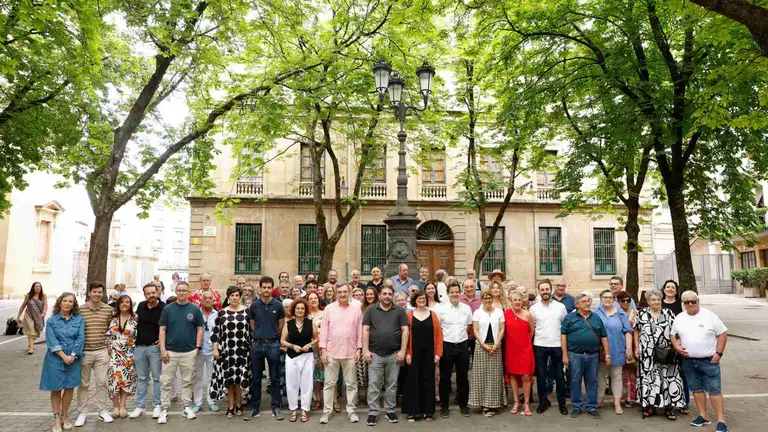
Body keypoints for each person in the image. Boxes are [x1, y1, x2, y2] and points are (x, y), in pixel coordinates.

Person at [671, 291, 729, 432]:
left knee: (714, 391)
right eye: (687, 302)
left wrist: (719, 353)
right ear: (683, 304)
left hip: (709, 361)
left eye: (693, 301)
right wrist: (677, 347)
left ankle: (721, 420)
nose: (690, 304)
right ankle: (703, 416)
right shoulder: (679, 318)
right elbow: (673, 335)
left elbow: (722, 334)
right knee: (696, 390)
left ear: (698, 301)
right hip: (689, 361)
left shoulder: (709, 315)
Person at [157, 281, 205, 424]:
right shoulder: (168, 309)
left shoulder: (195, 309)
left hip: (189, 352)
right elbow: (162, 329)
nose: (181, 293)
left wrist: (197, 348)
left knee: (187, 381)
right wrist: (163, 349)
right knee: (166, 381)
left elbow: (200, 329)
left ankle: (186, 407)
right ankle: (164, 408)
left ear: (188, 292)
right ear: (175, 291)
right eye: (179, 290)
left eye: (184, 290)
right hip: (170, 352)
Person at [634, 289, 685, 420]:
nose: (655, 302)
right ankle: (651, 406)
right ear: (648, 301)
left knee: (668, 379)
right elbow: (636, 331)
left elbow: (676, 332)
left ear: (661, 300)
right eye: (652, 300)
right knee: (650, 379)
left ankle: (669, 407)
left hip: (666, 351)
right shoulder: (641, 314)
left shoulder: (669, 314)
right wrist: (636, 347)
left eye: (657, 299)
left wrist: (677, 346)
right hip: (647, 352)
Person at [362, 284, 408, 426]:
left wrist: (402, 351)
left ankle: (390, 410)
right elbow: (365, 330)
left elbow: (405, 330)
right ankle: (373, 412)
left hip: (394, 354)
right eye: (385, 294)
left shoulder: (399, 311)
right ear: (380, 295)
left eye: (389, 294)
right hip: (375, 354)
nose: (387, 296)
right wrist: (365, 350)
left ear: (392, 296)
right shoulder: (371, 310)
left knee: (392, 384)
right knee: (374, 384)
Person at [318, 283, 363, 424]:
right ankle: (326, 412)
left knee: (351, 384)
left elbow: (359, 331)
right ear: (336, 293)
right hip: (331, 351)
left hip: (350, 352)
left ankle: (351, 410)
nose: (342, 294)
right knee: (329, 384)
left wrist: (359, 349)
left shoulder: (356, 309)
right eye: (340, 292)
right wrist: (323, 350)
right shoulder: (329, 309)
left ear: (349, 293)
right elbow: (324, 331)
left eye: (345, 292)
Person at [41, 293, 84, 432]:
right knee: (56, 388)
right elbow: (51, 339)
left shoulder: (79, 319)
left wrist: (72, 355)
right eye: (65, 301)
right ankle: (56, 419)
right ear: (60, 303)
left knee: (70, 387)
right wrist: (63, 356)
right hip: (55, 359)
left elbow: (80, 338)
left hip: (73, 358)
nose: (67, 303)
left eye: (70, 301)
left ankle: (65, 416)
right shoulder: (52, 321)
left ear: (74, 304)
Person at [561, 293, 609, 419]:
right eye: (584, 301)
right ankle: (577, 406)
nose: (587, 303)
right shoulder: (569, 318)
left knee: (592, 381)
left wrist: (607, 354)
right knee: (575, 380)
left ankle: (591, 406)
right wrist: (565, 355)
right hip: (575, 355)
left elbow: (604, 336)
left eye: (588, 301)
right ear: (577, 304)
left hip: (593, 355)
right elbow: (563, 336)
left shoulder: (596, 317)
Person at [246, 276, 286, 421]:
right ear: (260, 288)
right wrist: (259, 334)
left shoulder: (278, 305)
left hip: (273, 344)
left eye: (269, 287)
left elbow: (281, 323)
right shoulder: (254, 305)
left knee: (275, 378)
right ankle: (255, 408)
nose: (267, 290)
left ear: (272, 288)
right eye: (264, 287)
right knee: (256, 378)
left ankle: (276, 407)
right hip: (257, 345)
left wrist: (274, 335)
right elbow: (252, 323)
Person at [74, 282, 114, 427]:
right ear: (89, 293)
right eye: (94, 292)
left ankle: (102, 410)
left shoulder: (108, 310)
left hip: (102, 351)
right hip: (84, 352)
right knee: (83, 384)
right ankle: (82, 412)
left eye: (99, 292)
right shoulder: (80, 310)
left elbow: (111, 327)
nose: (97, 295)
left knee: (102, 382)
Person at [211, 286, 252, 418]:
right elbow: (215, 333)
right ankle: (230, 406)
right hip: (227, 352)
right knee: (229, 381)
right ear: (228, 297)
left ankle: (239, 404)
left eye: (236, 295)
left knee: (239, 380)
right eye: (232, 295)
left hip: (242, 351)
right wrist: (215, 349)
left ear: (240, 297)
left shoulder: (247, 312)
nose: (234, 298)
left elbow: (251, 332)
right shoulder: (221, 313)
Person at [402, 290, 443, 422]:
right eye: (419, 298)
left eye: (424, 298)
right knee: (413, 382)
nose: (421, 300)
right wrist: (407, 353)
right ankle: (413, 412)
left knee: (428, 381)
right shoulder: (409, 315)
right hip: (414, 354)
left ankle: (428, 411)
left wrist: (438, 353)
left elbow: (439, 335)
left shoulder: (433, 315)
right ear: (415, 300)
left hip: (429, 354)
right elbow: (406, 336)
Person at [530, 279, 568, 415]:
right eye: (542, 290)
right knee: (541, 375)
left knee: (559, 376)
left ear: (551, 290)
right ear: (539, 292)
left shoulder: (560, 307)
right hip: (539, 345)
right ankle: (543, 402)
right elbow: (531, 328)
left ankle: (562, 404)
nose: (545, 292)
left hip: (557, 345)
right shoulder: (533, 308)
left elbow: (565, 327)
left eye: (547, 289)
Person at [435, 280, 473, 418]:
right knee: (445, 378)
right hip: (447, 346)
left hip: (462, 345)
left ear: (460, 292)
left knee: (463, 377)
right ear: (448, 294)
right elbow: (438, 329)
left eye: (457, 292)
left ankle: (464, 405)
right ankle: (444, 406)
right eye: (452, 292)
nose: (455, 294)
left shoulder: (466, 309)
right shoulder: (441, 309)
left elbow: (469, 327)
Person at [130, 283, 165, 419]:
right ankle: (140, 406)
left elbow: (167, 326)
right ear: (144, 295)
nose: (151, 295)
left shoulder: (164, 308)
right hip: (139, 347)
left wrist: (163, 341)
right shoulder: (141, 306)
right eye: (148, 293)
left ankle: (157, 405)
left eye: (153, 292)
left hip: (154, 348)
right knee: (142, 378)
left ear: (157, 292)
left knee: (157, 378)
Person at [595, 290, 633, 415]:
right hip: (600, 351)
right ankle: (599, 400)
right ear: (600, 298)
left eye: (610, 297)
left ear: (614, 299)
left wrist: (628, 348)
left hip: (617, 348)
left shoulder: (620, 313)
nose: (607, 299)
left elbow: (628, 331)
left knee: (616, 376)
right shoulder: (596, 313)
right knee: (600, 375)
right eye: (605, 297)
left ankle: (617, 403)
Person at [469, 290, 506, 417]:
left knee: (494, 377)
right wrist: (484, 345)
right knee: (481, 376)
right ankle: (484, 404)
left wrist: (496, 344)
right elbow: (475, 330)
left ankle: (493, 403)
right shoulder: (477, 313)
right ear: (482, 299)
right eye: (485, 298)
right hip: (481, 347)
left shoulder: (499, 312)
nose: (487, 300)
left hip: (495, 346)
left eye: (489, 297)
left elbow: (502, 330)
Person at [281, 299, 318, 422]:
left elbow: (316, 339)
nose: (300, 310)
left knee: (307, 383)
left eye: (302, 308)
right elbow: (282, 341)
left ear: (305, 310)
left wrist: (310, 345)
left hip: (307, 356)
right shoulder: (288, 324)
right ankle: (293, 410)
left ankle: (304, 410)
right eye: (298, 308)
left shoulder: (310, 322)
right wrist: (292, 346)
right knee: (292, 383)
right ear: (294, 310)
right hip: (292, 357)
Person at [106, 295, 138, 419]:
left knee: (126, 379)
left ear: (130, 305)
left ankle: (123, 405)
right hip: (113, 353)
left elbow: (137, 336)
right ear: (118, 304)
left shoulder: (135, 319)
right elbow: (107, 335)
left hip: (128, 353)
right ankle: (115, 406)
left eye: (127, 302)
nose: (125, 304)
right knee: (113, 379)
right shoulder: (112, 319)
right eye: (122, 302)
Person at [504, 291, 535, 416]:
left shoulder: (528, 315)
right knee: (513, 376)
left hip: (525, 349)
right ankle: (516, 401)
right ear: (510, 301)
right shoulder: (505, 314)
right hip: (511, 349)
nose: (517, 302)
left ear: (522, 301)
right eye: (514, 300)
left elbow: (531, 332)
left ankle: (526, 403)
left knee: (526, 376)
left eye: (519, 300)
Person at [193, 291, 218, 413]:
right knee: (197, 378)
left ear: (213, 301)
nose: (207, 300)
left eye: (210, 298)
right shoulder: (196, 314)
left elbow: (219, 334)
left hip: (212, 351)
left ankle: (211, 401)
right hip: (198, 351)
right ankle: (197, 402)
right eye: (205, 298)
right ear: (201, 300)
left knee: (211, 377)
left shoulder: (217, 315)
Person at [616, 291, 638, 408]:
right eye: (623, 300)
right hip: (620, 345)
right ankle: (626, 397)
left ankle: (635, 396)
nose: (625, 303)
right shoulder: (616, 314)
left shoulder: (636, 313)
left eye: (628, 300)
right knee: (623, 374)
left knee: (635, 372)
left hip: (634, 345)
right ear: (618, 302)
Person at [357, 287, 379, 404]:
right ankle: (362, 395)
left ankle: (373, 397)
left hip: (376, 344)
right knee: (361, 371)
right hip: (362, 342)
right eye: (368, 294)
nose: (369, 296)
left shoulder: (380, 308)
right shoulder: (361, 309)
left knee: (374, 371)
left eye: (372, 294)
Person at [307, 291, 326, 411]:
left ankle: (333, 401)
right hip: (311, 349)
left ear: (319, 300)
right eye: (311, 298)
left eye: (315, 298)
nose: (313, 300)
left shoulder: (325, 313)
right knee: (315, 377)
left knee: (329, 375)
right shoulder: (305, 315)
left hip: (325, 348)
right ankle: (318, 400)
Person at [17, 281, 48, 354]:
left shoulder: (43, 295)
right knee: (31, 330)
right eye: (36, 286)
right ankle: (31, 348)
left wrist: (44, 313)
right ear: (33, 288)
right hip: (29, 315)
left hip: (39, 315)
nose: (38, 288)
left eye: (39, 286)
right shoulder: (28, 296)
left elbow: (45, 305)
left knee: (36, 331)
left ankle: (31, 344)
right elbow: (23, 306)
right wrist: (18, 316)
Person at [460, 279, 482, 361]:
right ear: (463, 288)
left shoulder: (480, 300)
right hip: (463, 336)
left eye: (471, 286)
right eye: (466, 287)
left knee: (477, 362)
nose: (469, 289)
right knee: (464, 362)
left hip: (477, 336)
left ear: (475, 287)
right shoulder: (459, 300)